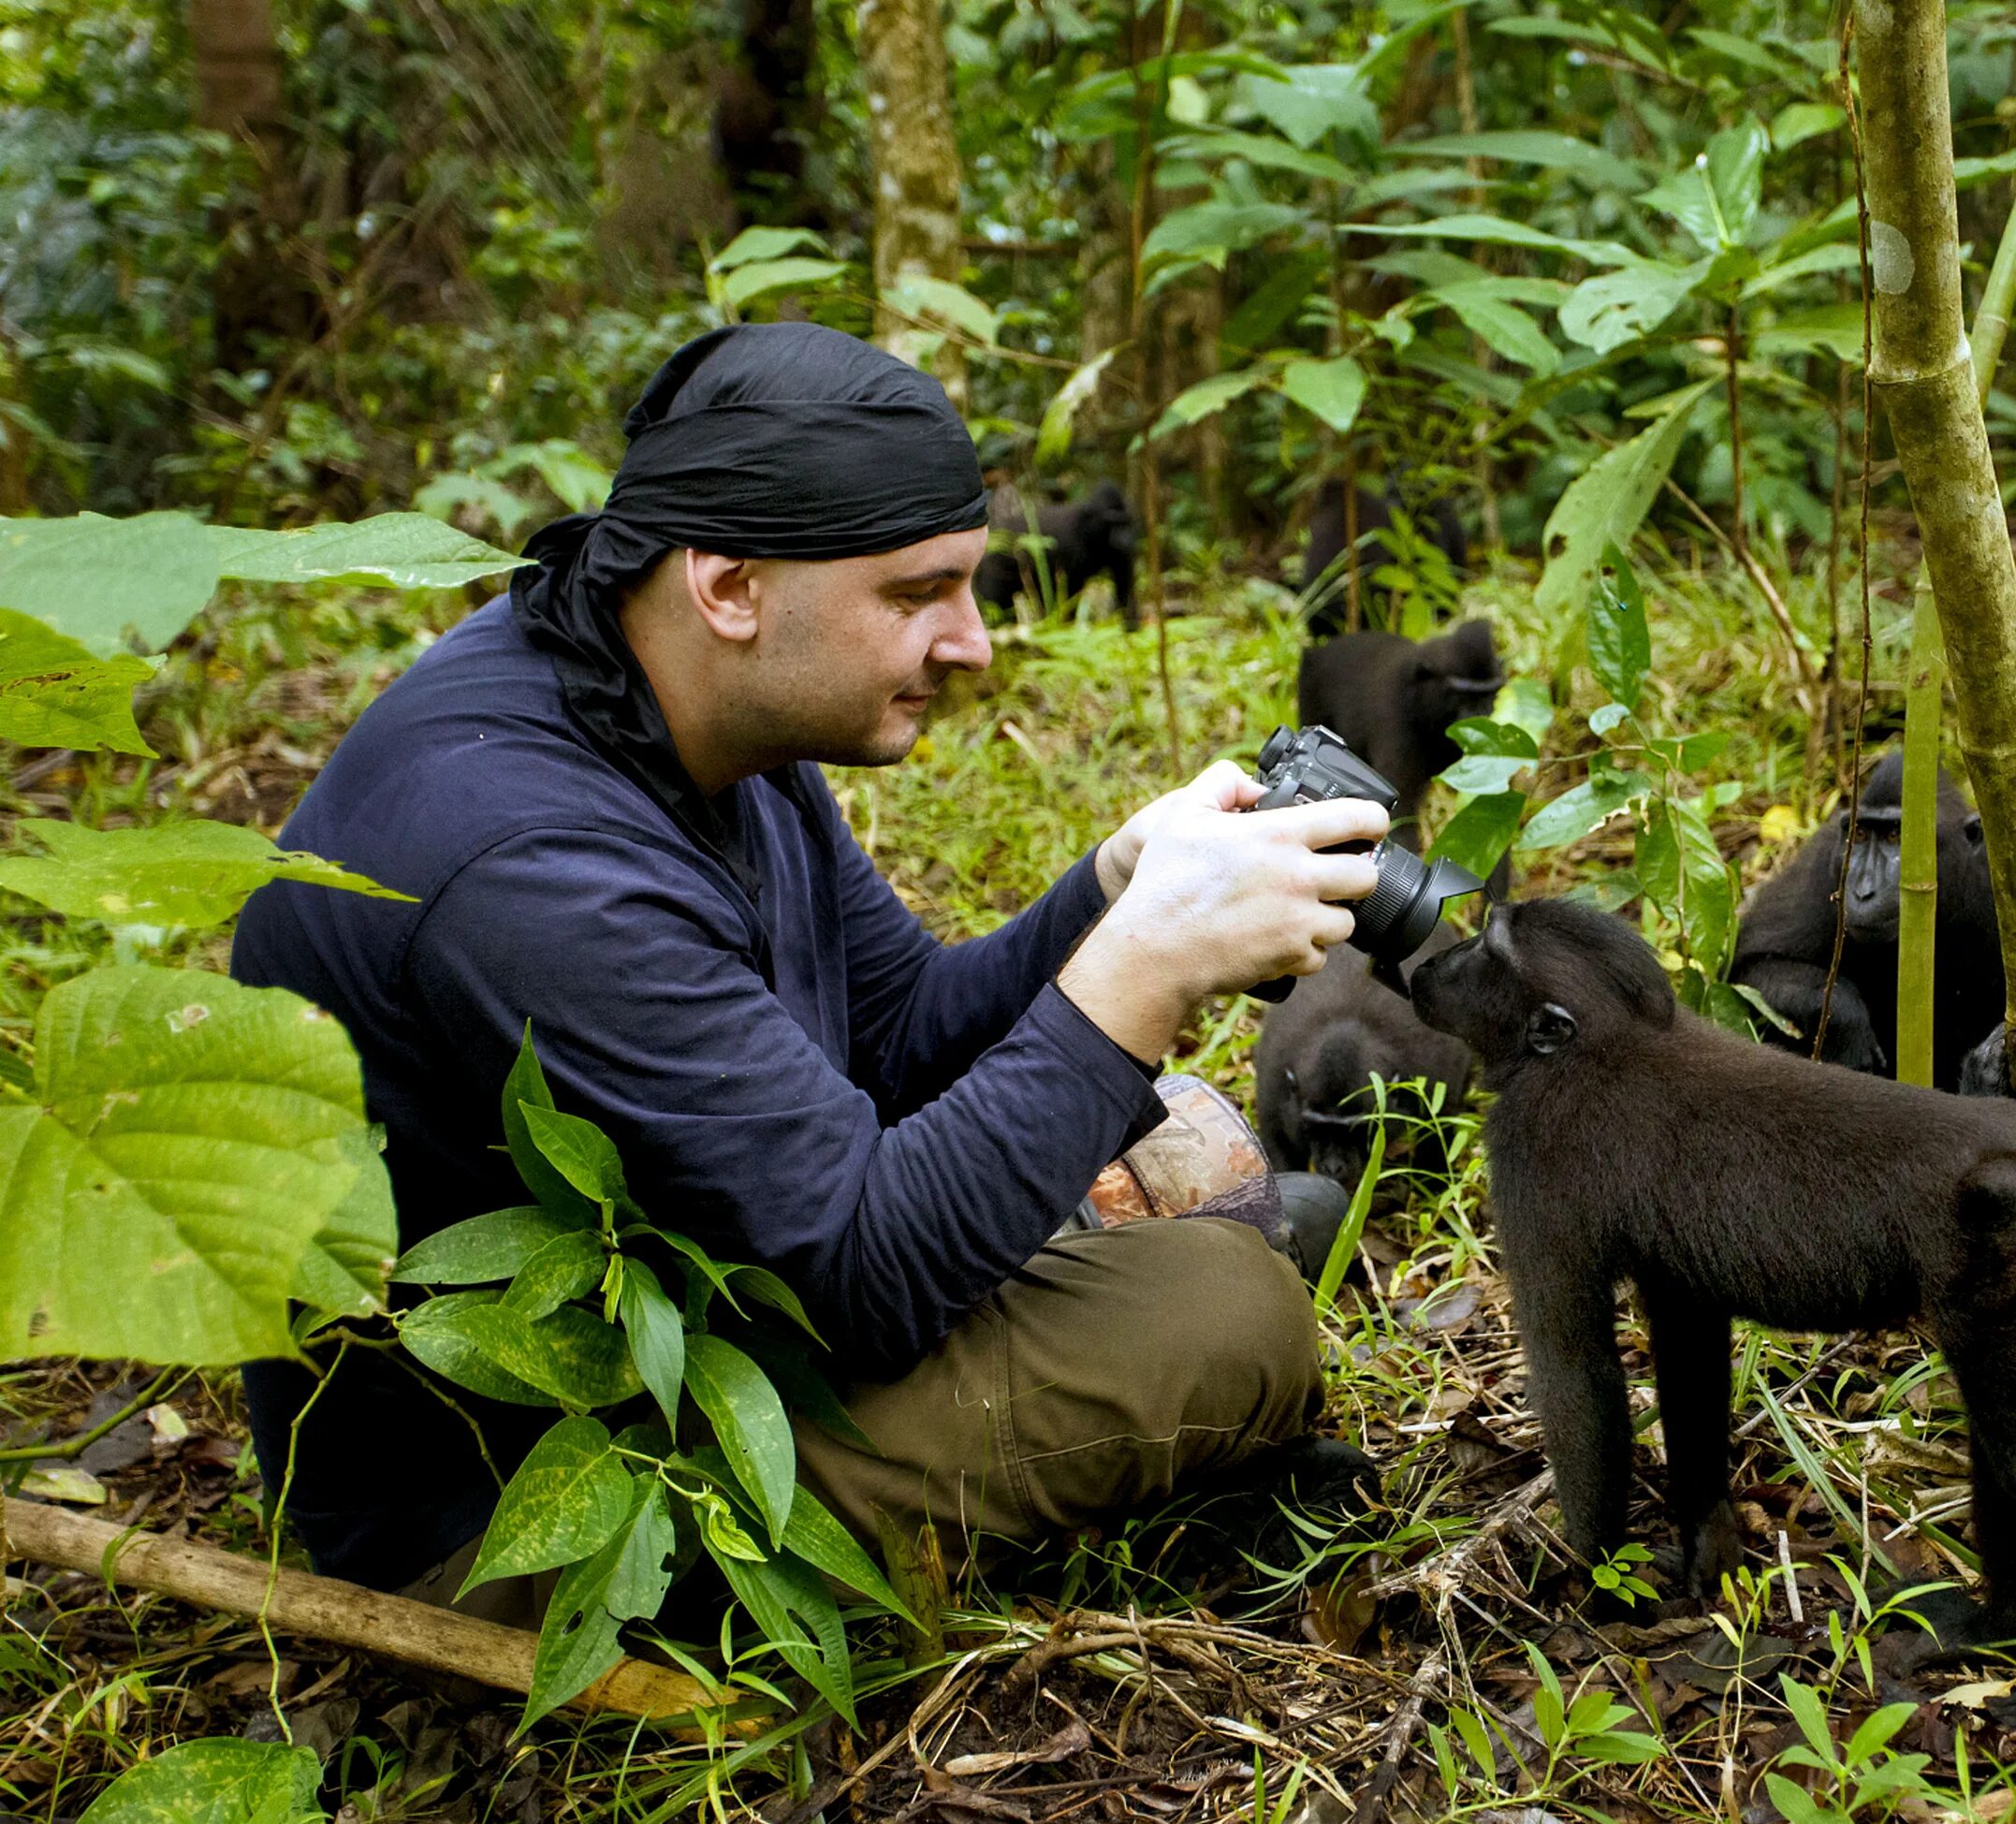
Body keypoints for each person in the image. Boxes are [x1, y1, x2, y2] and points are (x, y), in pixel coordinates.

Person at [231, 321, 1385, 1608]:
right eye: (914, 596)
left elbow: (891, 1035)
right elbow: (868, 1280)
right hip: (523, 1495)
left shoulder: (688, 703)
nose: (973, 643)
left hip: (705, 1297)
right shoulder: (528, 855)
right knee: (1233, 1317)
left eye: (967, 586)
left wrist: (1113, 888)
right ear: (730, 588)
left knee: (1206, 1168)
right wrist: (1145, 972)